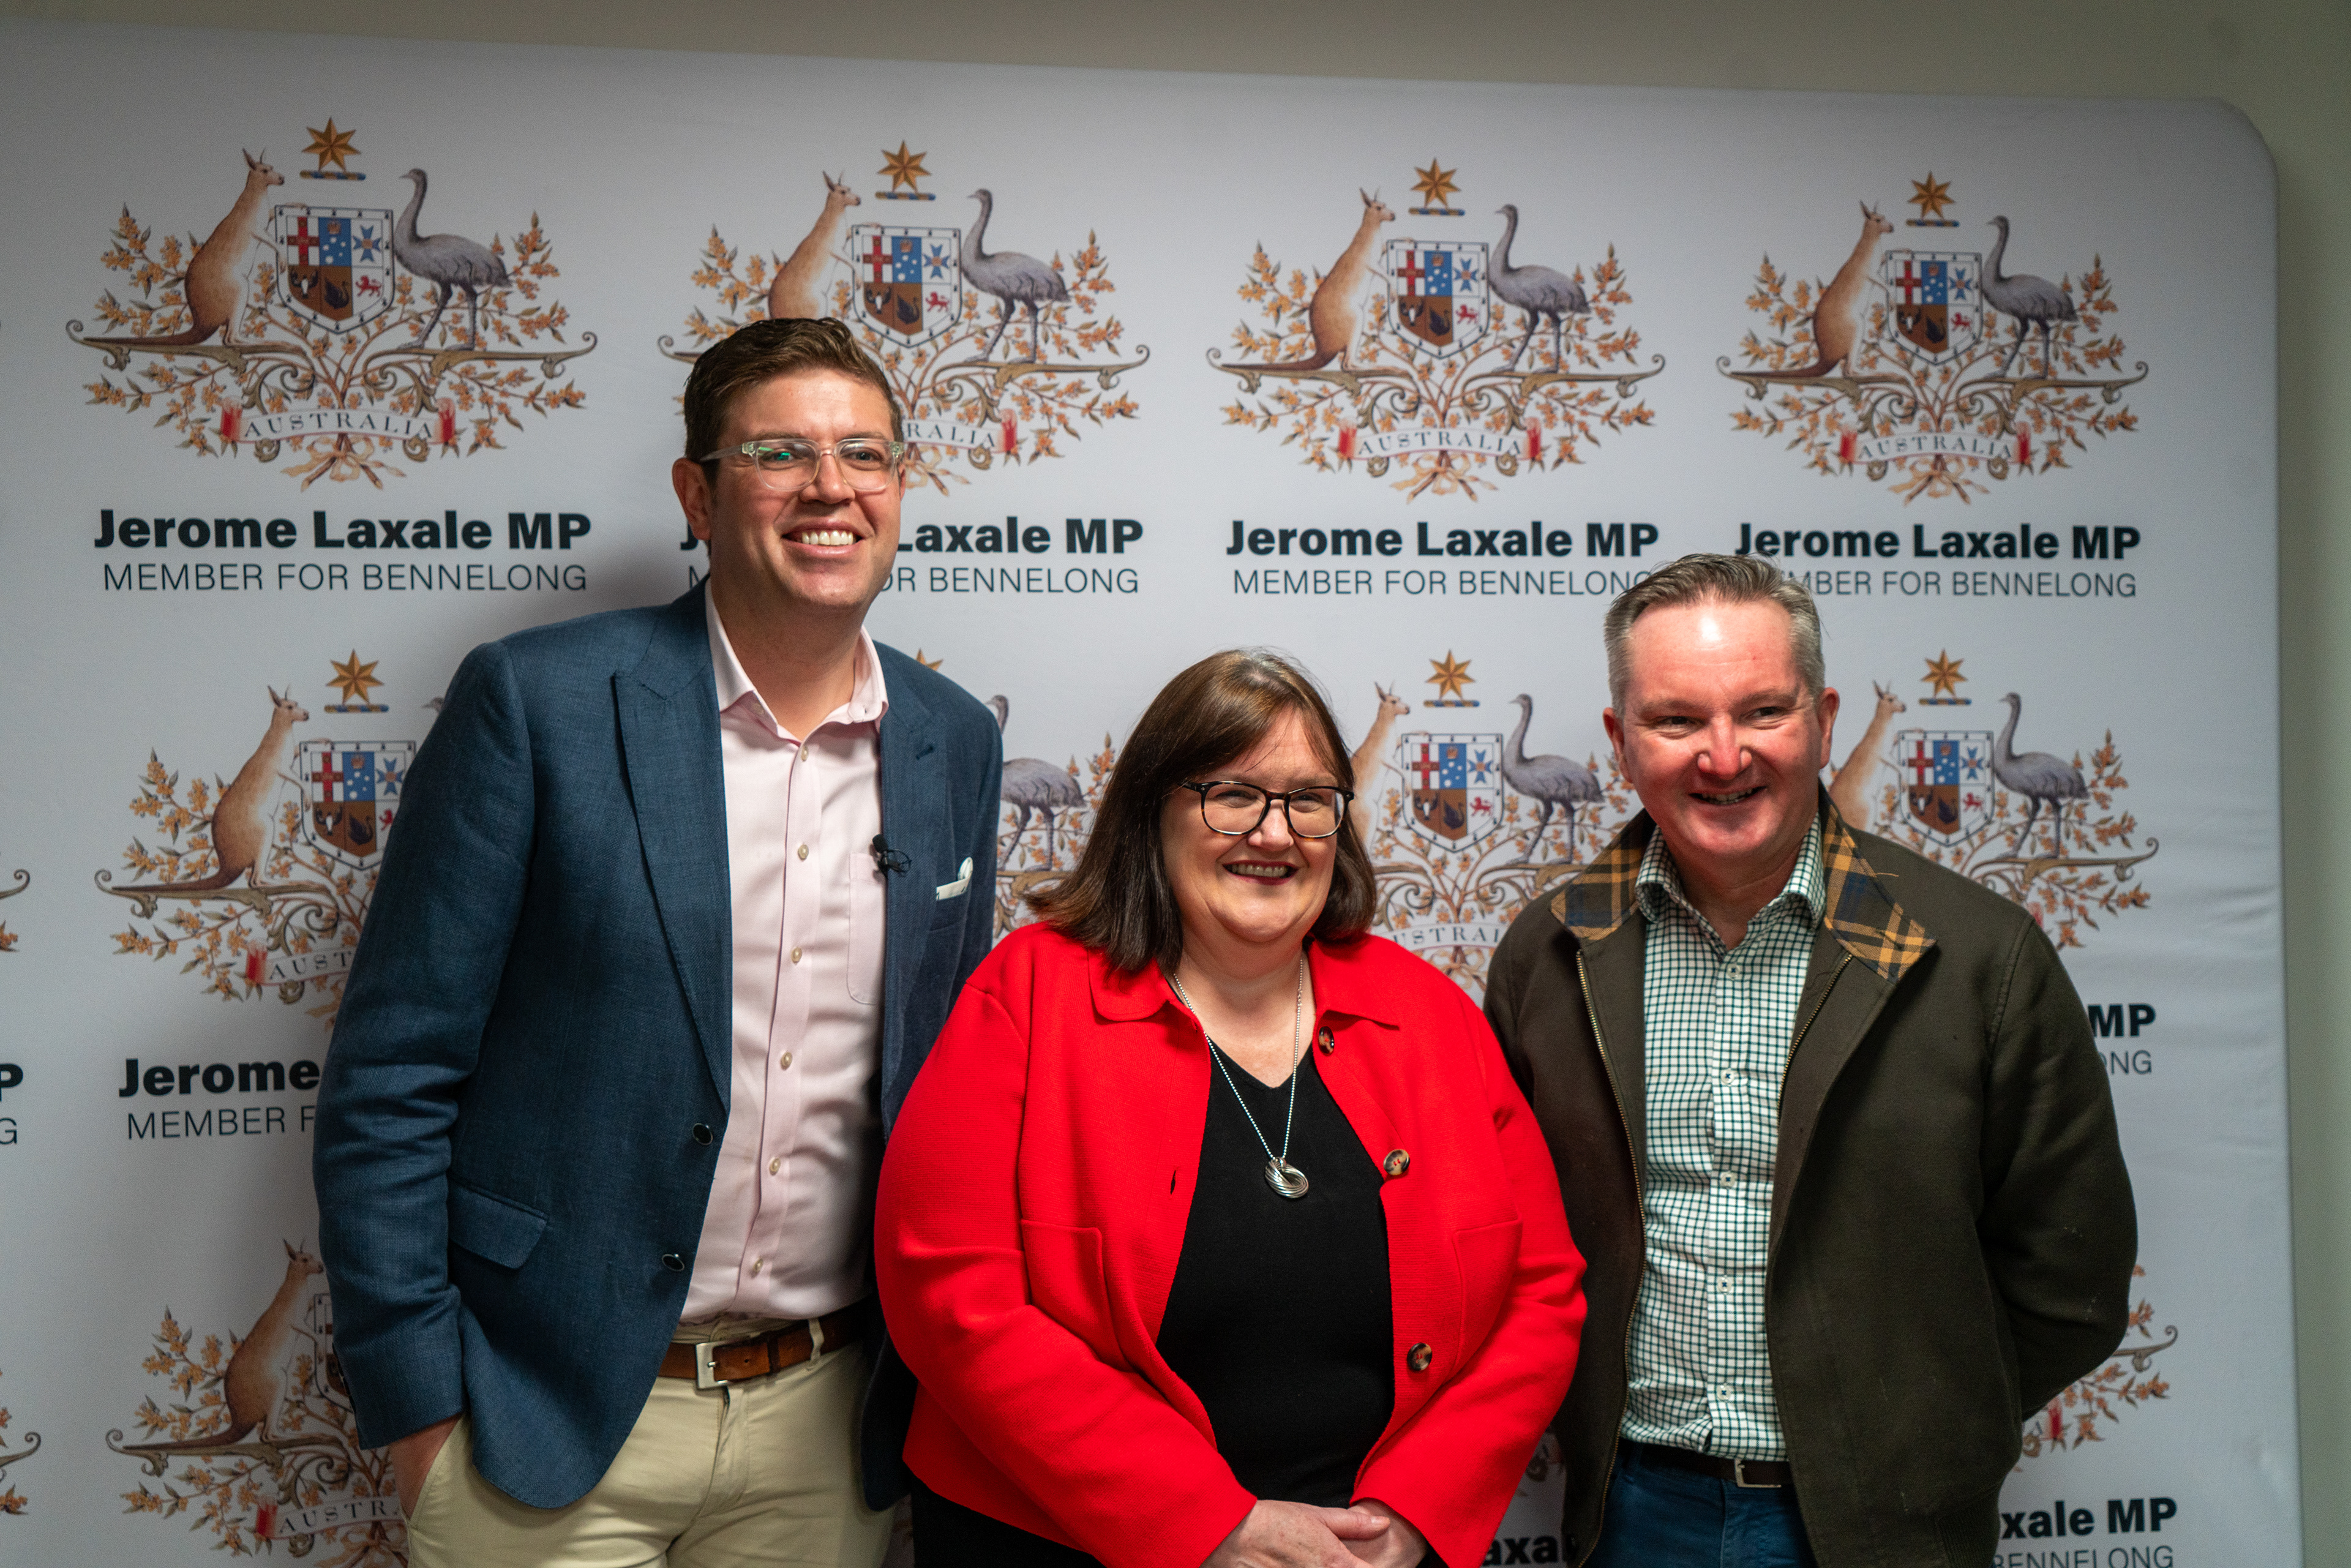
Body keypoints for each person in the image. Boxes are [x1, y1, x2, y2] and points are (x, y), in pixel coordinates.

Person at [313, 317, 1003, 1567]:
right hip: (543, 1420)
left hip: (825, 1424)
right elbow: (394, 1074)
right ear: (697, 493)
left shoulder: (952, 736)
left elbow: (944, 1083)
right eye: (779, 454)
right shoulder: (538, 703)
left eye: (865, 454)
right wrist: (420, 1409)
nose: (831, 487)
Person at [1485, 554, 2135, 1567]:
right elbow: (1505, 1249)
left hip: (1887, 1524)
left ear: (1825, 721)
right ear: (1619, 741)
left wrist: (1918, 1431)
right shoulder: (1554, 951)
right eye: (1677, 720)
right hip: (1633, 1510)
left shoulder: (1979, 958)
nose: (1724, 755)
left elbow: (2071, 1279)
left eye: (1763, 711)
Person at [876, 649, 1586, 1568]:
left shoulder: (1429, 1014)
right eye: (1235, 795)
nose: (1276, 833)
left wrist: (1418, 1507)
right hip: (1058, 1540)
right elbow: (952, 1296)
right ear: (1153, 809)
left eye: (1309, 800)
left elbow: (1540, 1290)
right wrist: (1205, 1523)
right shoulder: (1029, 994)